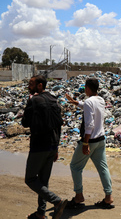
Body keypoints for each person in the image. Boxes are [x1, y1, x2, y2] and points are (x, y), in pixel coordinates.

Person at [22, 75, 67, 219]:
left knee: (30, 179)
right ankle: (41, 213)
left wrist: (29, 106)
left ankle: (57, 201)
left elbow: (24, 123)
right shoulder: (54, 100)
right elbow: (58, 125)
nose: (29, 86)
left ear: (40, 86)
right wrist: (56, 148)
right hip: (52, 145)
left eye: (31, 84)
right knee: (43, 181)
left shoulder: (34, 100)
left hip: (39, 146)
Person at [65, 77, 114, 209]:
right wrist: (76, 103)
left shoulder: (88, 102)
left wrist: (85, 144)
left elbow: (89, 125)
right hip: (101, 140)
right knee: (103, 168)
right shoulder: (101, 100)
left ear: (87, 88)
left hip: (90, 140)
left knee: (75, 166)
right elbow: (90, 107)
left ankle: (79, 196)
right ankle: (108, 197)